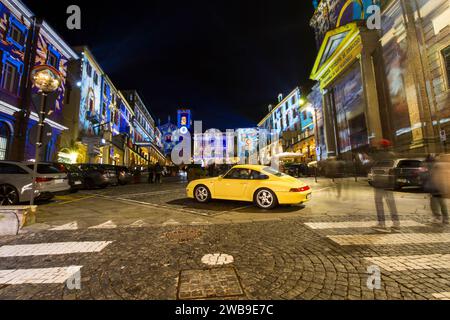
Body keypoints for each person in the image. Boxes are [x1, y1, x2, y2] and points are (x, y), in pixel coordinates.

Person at [424, 154, 449, 225]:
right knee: (442, 203)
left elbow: (434, 176)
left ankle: (437, 218)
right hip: (442, 187)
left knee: (434, 203)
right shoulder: (441, 164)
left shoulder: (436, 166)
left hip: (437, 187)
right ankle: (446, 218)